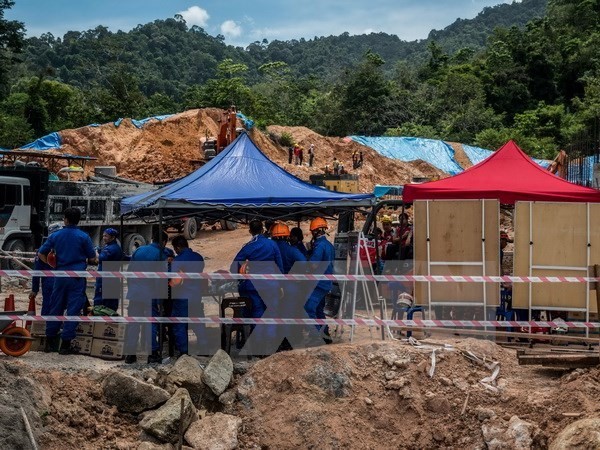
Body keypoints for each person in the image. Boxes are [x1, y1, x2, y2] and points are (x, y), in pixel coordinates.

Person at [38, 208, 97, 354]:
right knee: (73, 309)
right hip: (76, 278)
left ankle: (50, 343)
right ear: (79, 220)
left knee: (55, 307)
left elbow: (41, 253)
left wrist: (53, 265)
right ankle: (65, 345)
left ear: (65, 219)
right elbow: (92, 258)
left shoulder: (56, 235)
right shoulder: (83, 237)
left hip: (60, 276)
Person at [231, 219, 284, 355]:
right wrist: (281, 284)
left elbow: (234, 266)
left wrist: (242, 273)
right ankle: (272, 347)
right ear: (262, 230)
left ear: (250, 231)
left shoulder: (248, 246)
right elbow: (279, 265)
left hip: (254, 287)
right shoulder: (272, 244)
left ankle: (259, 348)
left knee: (257, 315)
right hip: (271, 285)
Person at [124, 229, 169, 364]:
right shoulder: (160, 254)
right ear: (164, 242)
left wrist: (132, 287)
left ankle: (130, 354)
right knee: (151, 322)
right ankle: (152, 353)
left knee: (133, 323)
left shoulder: (139, 250)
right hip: (151, 293)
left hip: (135, 292)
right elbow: (160, 278)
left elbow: (129, 272)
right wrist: (161, 298)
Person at [170, 235, 206, 356]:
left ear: (178, 247)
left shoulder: (178, 260)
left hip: (182, 296)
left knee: (180, 324)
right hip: (196, 295)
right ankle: (203, 347)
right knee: (198, 322)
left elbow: (174, 279)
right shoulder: (199, 257)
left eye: (175, 249)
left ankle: (184, 351)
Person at [306, 217, 335, 344]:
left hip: (318, 283)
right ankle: (325, 334)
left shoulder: (320, 246)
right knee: (318, 310)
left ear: (316, 231)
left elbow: (313, 265)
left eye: (313, 231)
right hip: (325, 282)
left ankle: (316, 336)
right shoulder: (328, 244)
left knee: (309, 308)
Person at [29, 223, 61, 315]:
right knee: (56, 305)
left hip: (51, 282)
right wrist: (34, 289)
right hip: (55, 281)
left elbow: (36, 271)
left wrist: (34, 290)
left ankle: (47, 326)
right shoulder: (62, 247)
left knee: (49, 305)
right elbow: (37, 271)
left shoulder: (43, 249)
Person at [93, 228, 124, 312]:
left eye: (106, 236)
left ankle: (102, 323)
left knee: (102, 304)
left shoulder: (111, 249)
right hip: (111, 280)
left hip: (106, 281)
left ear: (113, 237)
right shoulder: (112, 247)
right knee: (111, 303)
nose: (104, 238)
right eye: (103, 235)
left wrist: (96, 253)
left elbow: (100, 258)